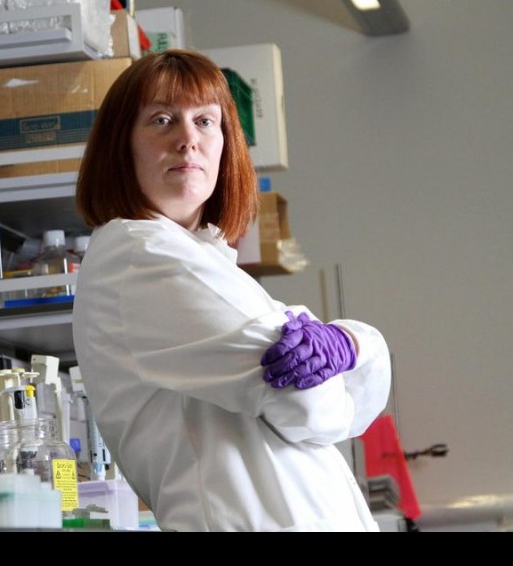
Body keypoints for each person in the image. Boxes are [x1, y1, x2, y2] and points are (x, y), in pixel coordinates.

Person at [71, 49, 392, 532]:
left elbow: (349, 410)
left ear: (226, 144)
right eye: (162, 120)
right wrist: (352, 348)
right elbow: (308, 407)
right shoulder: (140, 256)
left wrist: (349, 342)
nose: (188, 139)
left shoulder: (204, 257)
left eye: (205, 121)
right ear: (121, 145)